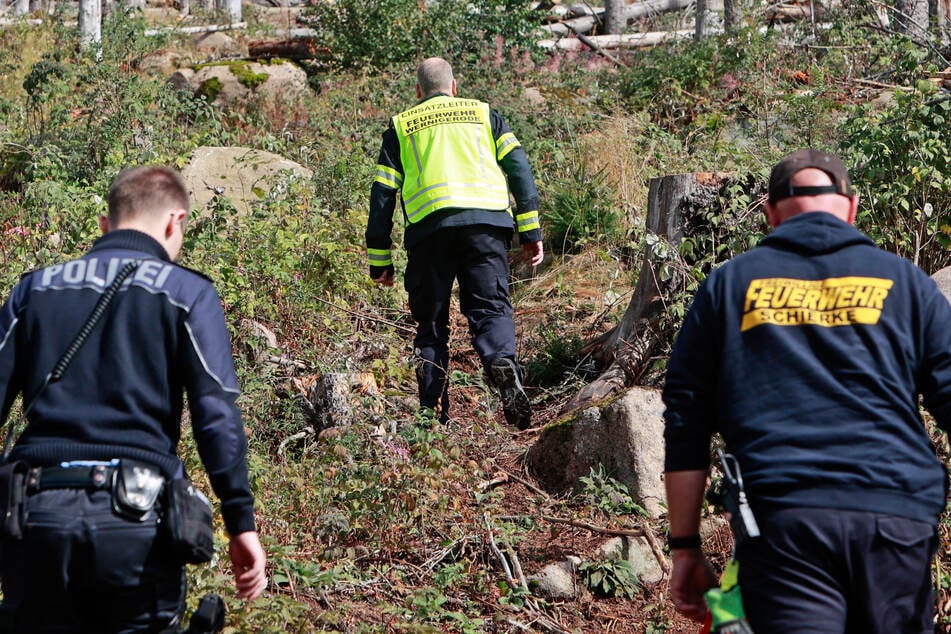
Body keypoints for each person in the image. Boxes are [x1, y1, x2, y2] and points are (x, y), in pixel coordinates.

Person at [663, 149, 951, 632]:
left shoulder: (729, 285)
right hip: (895, 518)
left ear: (770, 212)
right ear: (852, 207)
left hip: (784, 524)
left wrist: (685, 547)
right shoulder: (906, 284)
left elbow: (685, 419)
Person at [0, 166, 267, 632]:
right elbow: (215, 413)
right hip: (135, 524)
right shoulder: (188, 292)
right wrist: (240, 521)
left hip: (35, 517)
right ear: (174, 223)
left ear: (105, 225)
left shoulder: (34, 289)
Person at [366, 57, 544, 428]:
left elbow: (383, 193)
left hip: (429, 233)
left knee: (431, 326)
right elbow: (519, 168)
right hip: (486, 227)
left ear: (418, 92)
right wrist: (530, 231)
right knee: (491, 310)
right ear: (454, 87)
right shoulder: (483, 114)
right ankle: (501, 362)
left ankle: (431, 416)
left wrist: (379, 259)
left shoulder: (401, 127)